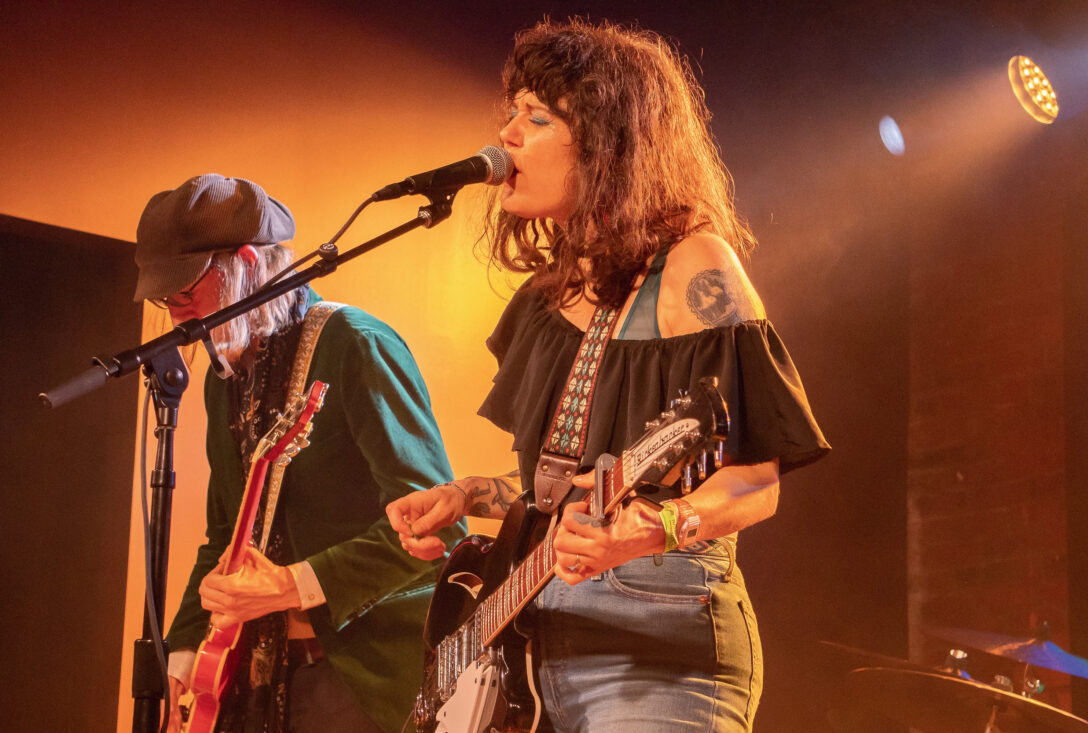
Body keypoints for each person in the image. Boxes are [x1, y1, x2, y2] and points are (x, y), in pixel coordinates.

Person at [386, 19, 830, 732]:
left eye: (537, 117)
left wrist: (652, 528)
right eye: (511, 114)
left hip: (658, 641)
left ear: (606, 140)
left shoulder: (695, 265)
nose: (508, 135)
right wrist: (468, 493)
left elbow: (756, 480)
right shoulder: (548, 296)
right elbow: (556, 496)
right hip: (536, 640)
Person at [133, 173, 463, 733]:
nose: (178, 318)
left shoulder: (355, 342)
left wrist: (292, 585)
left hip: (358, 674)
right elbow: (224, 535)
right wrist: (182, 658)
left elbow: (435, 535)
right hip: (256, 676)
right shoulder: (225, 373)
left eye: (186, 294)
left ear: (244, 263)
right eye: (167, 300)